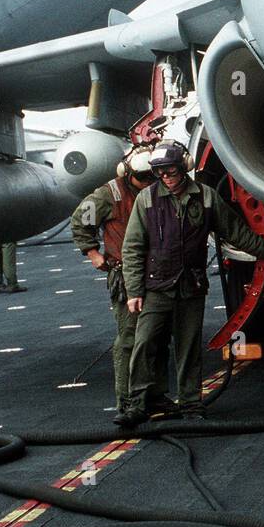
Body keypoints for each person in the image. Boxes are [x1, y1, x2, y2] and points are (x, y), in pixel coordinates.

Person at [116, 140, 264, 427]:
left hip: (190, 288)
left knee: (188, 347)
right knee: (145, 343)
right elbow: (132, 248)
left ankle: (190, 403)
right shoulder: (147, 200)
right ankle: (139, 403)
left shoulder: (206, 197)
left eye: (171, 171)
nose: (167, 178)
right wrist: (134, 290)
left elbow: (237, 234)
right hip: (156, 287)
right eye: (161, 173)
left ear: (183, 168)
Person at [70, 148, 166, 411]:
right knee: (129, 338)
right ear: (129, 173)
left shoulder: (159, 188)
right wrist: (92, 253)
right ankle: (126, 401)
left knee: (157, 337)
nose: (148, 182)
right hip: (126, 276)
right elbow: (81, 220)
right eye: (143, 178)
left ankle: (156, 396)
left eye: (152, 177)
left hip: (159, 274)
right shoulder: (109, 194)